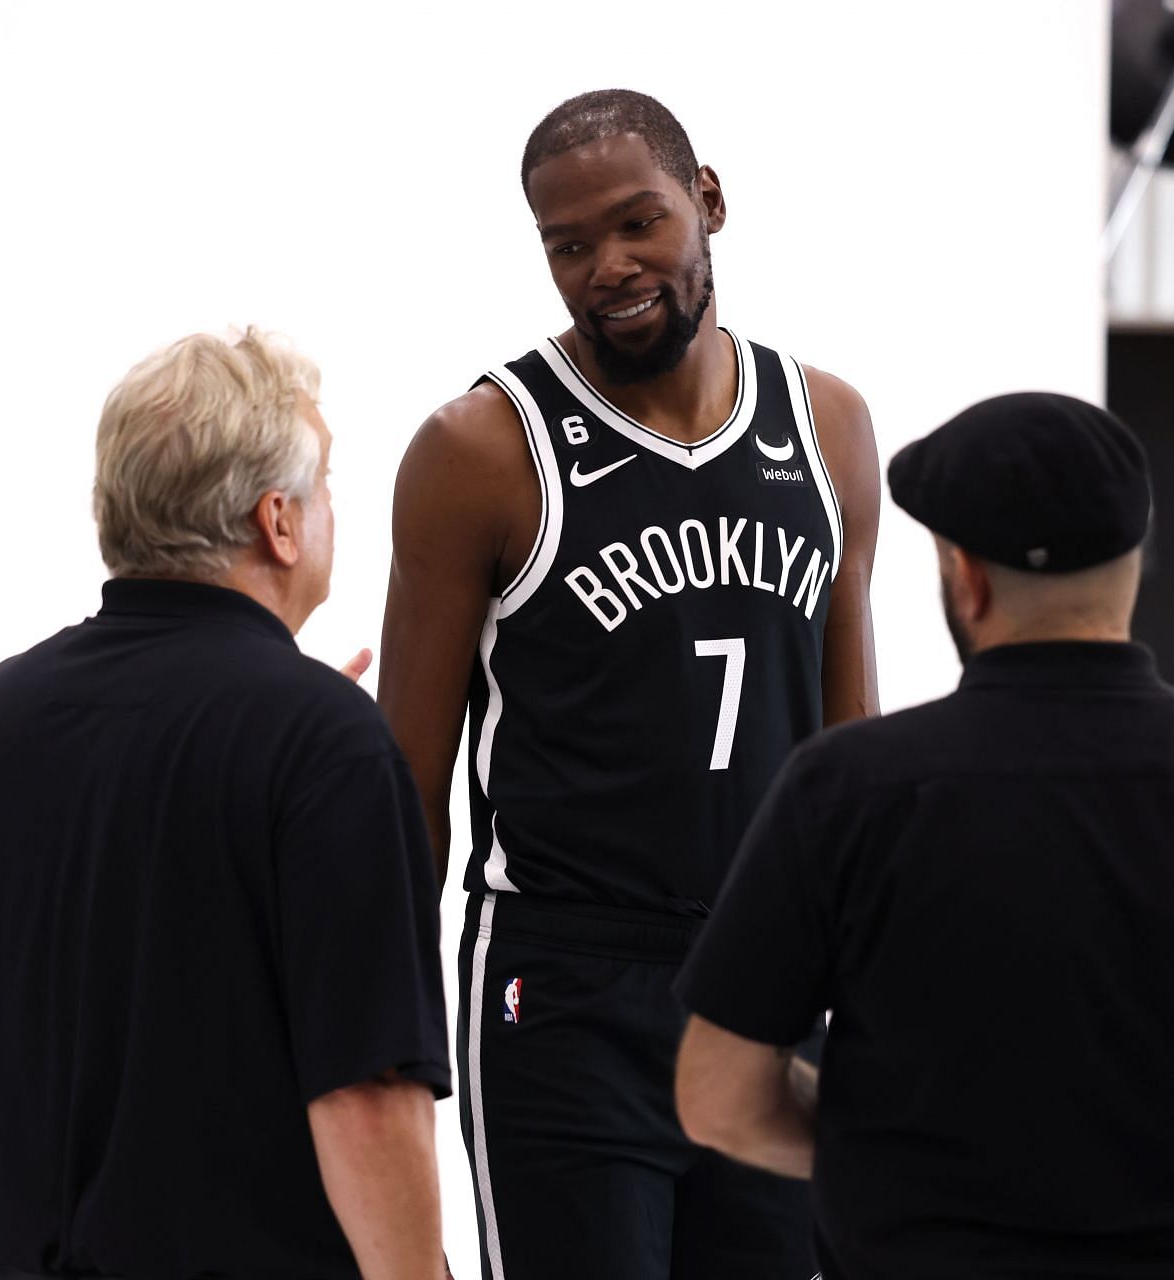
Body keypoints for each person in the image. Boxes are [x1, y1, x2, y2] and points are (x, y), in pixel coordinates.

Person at [673, 392, 1174, 1279]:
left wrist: (872, 1154)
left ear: (968, 579)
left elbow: (718, 1096)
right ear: (1134, 565)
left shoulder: (845, 792)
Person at [377, 89, 880, 1280]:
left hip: (766, 979)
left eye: (638, 223)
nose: (608, 265)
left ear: (708, 201)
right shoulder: (482, 449)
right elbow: (409, 780)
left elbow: (855, 761)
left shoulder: (828, 426)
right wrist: (385, 1038)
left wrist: (877, 993)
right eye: (567, 243)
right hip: (563, 985)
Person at [0, 329, 452, 1280]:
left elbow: (112, 974)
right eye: (327, 483)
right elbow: (368, 1095)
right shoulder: (322, 747)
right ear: (278, 521)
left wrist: (280, 753)